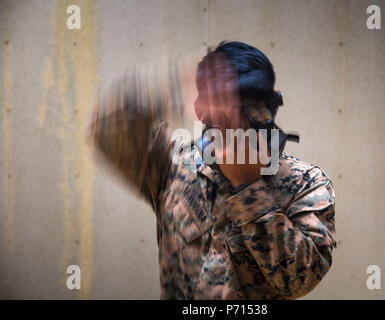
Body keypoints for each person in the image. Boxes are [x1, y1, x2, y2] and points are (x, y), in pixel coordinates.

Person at [87, 41, 337, 299]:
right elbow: (104, 128)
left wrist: (249, 188)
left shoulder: (306, 182)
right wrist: (173, 85)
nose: (240, 120)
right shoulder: (173, 163)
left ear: (272, 107)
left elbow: (298, 281)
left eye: (253, 104)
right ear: (200, 110)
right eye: (226, 105)